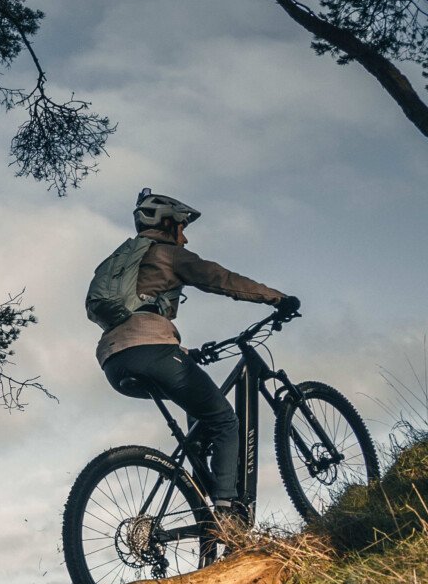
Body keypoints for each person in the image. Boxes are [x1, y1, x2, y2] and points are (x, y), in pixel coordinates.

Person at [88, 189, 298, 527]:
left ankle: (203, 500)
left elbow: (135, 315)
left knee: (199, 417)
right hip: (153, 350)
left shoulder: (121, 261)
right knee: (226, 422)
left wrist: (183, 351)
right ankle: (228, 513)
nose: (184, 238)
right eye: (182, 227)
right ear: (167, 223)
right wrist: (277, 299)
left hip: (114, 360)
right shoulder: (167, 254)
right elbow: (222, 279)